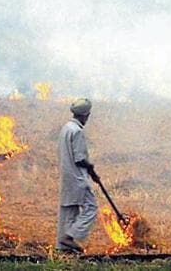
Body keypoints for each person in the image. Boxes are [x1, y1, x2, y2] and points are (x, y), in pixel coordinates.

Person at [56, 98, 100, 253]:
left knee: (69, 210)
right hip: (77, 178)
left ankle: (62, 247)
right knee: (91, 207)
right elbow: (80, 159)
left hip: (67, 177)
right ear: (85, 116)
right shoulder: (77, 131)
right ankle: (70, 236)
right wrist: (91, 168)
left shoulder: (66, 128)